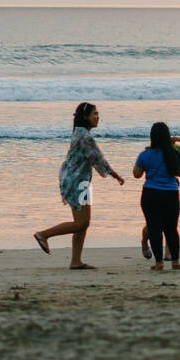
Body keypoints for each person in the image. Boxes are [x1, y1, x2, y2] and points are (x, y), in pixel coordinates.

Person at [34, 102, 124, 270]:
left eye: (98, 114)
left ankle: (76, 261)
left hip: (81, 181)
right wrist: (115, 175)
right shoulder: (85, 136)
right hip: (77, 183)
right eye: (94, 114)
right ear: (85, 117)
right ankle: (44, 235)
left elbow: (93, 159)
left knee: (82, 222)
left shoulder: (80, 132)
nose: (98, 117)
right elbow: (98, 159)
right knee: (82, 223)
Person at [133, 124, 180, 271]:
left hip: (150, 194)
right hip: (171, 194)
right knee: (171, 229)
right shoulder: (174, 153)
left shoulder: (145, 155)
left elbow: (136, 174)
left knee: (154, 229)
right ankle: (176, 261)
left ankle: (159, 262)